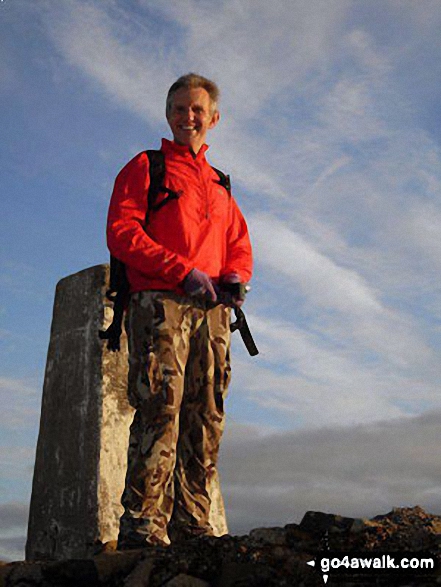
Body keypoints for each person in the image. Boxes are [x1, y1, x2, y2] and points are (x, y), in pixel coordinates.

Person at [106, 73, 253, 549]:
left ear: (214, 118)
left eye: (196, 109)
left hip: (211, 312)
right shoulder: (146, 167)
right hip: (160, 304)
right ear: (167, 115)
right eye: (178, 109)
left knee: (205, 414)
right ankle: (144, 525)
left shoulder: (220, 183)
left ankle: (193, 524)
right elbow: (122, 233)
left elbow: (238, 244)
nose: (187, 117)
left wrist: (234, 276)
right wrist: (179, 270)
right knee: (159, 408)